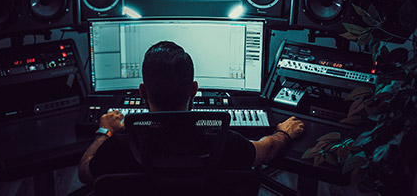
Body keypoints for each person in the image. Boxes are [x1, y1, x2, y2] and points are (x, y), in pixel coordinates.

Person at [79, 41, 305, 184]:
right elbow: (266, 150)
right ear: (194, 90)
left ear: (142, 92)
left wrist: (103, 132)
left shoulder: (119, 147)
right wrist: (283, 133)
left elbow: (85, 171)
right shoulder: (225, 142)